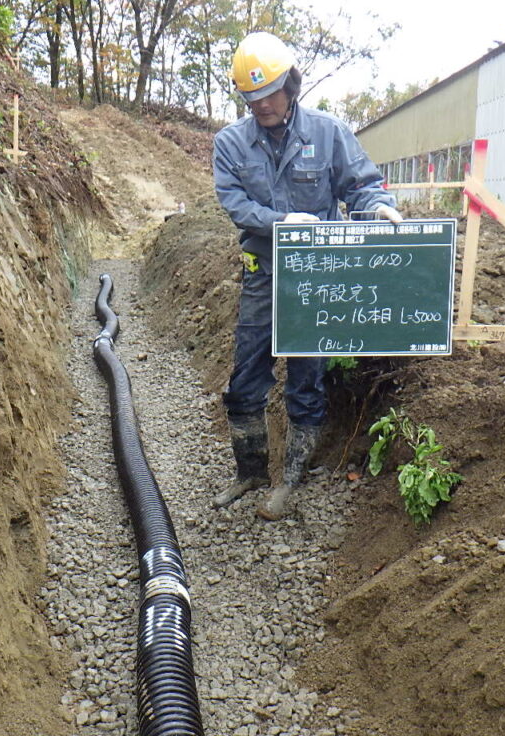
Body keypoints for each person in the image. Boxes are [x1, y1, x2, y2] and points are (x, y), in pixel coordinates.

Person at [211, 31, 401, 520]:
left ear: (291, 85)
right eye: (251, 98)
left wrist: (378, 208)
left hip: (316, 279)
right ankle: (250, 471)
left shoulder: (328, 133)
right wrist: (280, 223)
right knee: (246, 378)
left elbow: (362, 185)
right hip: (264, 273)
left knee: (307, 376)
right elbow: (235, 204)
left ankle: (290, 479)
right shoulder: (230, 144)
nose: (261, 105)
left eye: (269, 93)